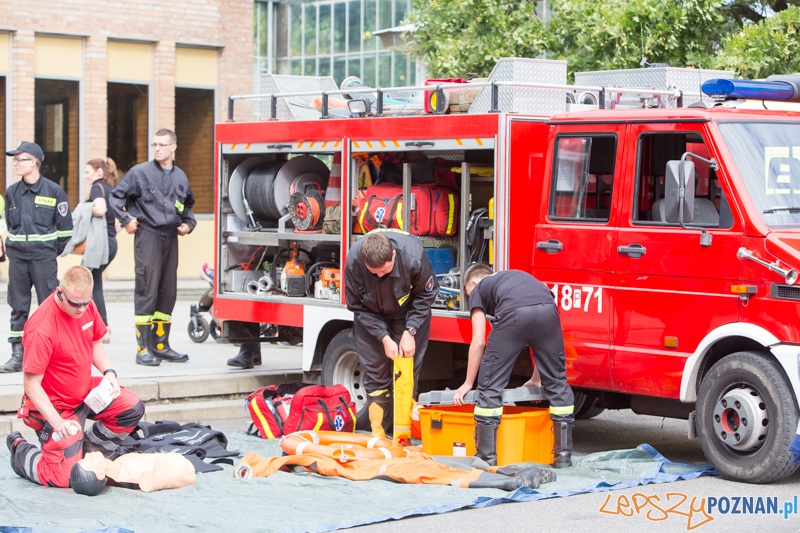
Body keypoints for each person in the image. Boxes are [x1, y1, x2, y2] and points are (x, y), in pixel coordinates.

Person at [5, 266, 145, 489]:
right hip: (56, 405)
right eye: (75, 304)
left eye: (85, 303)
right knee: (63, 480)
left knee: (133, 408)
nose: (81, 309)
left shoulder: (85, 304)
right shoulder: (41, 328)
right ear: (60, 292)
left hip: (84, 391)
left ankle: (84, 453)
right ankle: (20, 450)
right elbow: (31, 384)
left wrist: (109, 372)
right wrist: (57, 422)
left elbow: (94, 342)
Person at [454, 264, 575, 468]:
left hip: (514, 313)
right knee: (557, 381)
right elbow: (543, 347)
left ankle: (486, 459)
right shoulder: (517, 279)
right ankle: (563, 458)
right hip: (548, 308)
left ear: (473, 283)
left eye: (468, 294)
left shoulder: (478, 289)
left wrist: (468, 383)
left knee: (490, 385)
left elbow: (478, 341)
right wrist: (537, 379)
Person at [109, 128, 196, 366]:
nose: (157, 149)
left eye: (162, 145)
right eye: (154, 145)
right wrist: (126, 220)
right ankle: (143, 349)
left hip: (171, 237)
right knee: (147, 288)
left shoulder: (180, 177)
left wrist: (189, 225)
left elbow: (187, 207)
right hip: (148, 235)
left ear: (173, 147)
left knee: (167, 291)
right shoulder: (140, 173)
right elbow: (115, 197)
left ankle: (161, 346)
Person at [344, 230, 439, 437]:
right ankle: (378, 435)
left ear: (394, 255)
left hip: (407, 313)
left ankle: (402, 436)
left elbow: (426, 294)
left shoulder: (413, 257)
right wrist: (383, 337)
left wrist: (410, 330)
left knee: (404, 369)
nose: (380, 276)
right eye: (374, 272)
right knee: (375, 373)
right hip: (370, 315)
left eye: (385, 271)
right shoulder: (354, 262)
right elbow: (356, 305)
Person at [0, 142, 73, 373]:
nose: (15, 164)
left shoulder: (54, 191)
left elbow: (65, 231)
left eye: (19, 159)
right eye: (14, 160)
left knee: (49, 306)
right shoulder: (12, 192)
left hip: (43, 259)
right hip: (18, 259)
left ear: (33, 162)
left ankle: (49, 354)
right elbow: (11, 226)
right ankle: (18, 355)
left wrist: (48, 252)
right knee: (18, 305)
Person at [84, 159, 118, 343]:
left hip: (100, 244)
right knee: (93, 281)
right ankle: (101, 326)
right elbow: (119, 221)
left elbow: (100, 209)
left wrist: (83, 209)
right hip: (111, 242)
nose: (85, 176)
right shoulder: (111, 189)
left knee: (91, 283)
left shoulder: (97, 188)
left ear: (98, 172)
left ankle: (102, 328)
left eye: (87, 172)